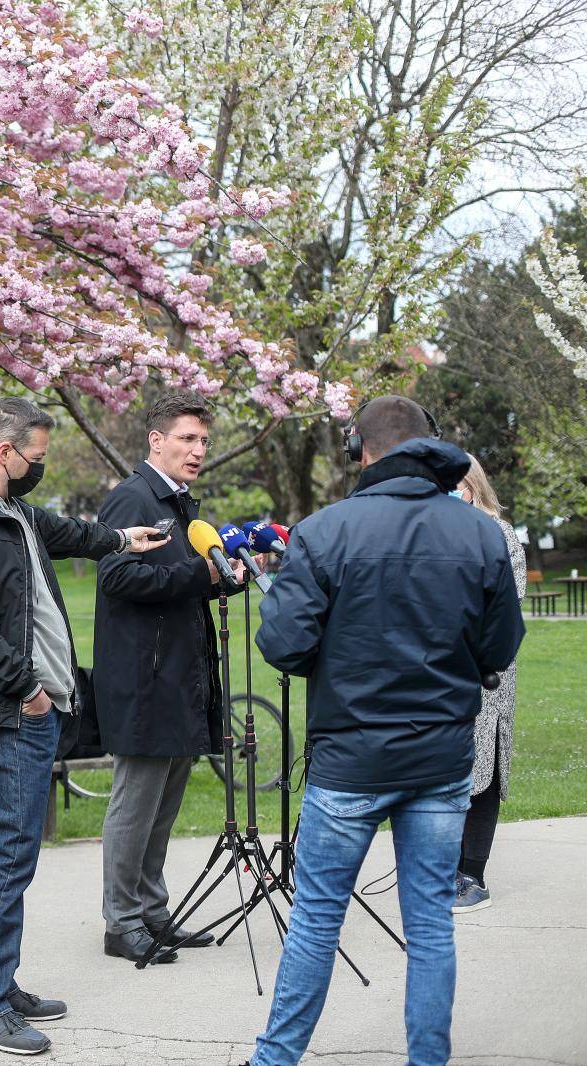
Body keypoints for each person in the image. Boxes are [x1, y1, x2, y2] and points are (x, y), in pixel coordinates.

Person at [247, 396, 525, 1066]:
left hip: (351, 759)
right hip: (439, 760)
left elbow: (283, 645)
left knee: (316, 922)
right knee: (430, 925)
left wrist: (334, 654)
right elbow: (498, 649)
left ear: (360, 451)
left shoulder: (324, 530)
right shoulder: (482, 533)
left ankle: (274, 1060)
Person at [0, 397, 170, 1056]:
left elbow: (71, 534)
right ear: (5, 453)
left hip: (33, 710)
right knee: (4, 859)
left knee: (15, 857)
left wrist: (124, 538)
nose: (40, 468)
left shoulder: (12, 512)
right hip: (11, 711)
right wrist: (29, 690)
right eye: (36, 457)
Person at [93, 391, 244, 963]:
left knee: (164, 805)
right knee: (135, 805)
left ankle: (154, 914)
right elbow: (118, 579)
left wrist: (222, 573)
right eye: (187, 438)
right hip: (144, 679)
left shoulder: (182, 505)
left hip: (183, 675)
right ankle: (122, 922)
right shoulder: (131, 498)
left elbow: (185, 580)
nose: (198, 449)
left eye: (204, 440)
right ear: (156, 441)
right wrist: (197, 573)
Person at [452, 455, 527, 913]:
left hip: (486, 670)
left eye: (454, 484)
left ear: (472, 486)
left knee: (484, 768)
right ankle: (441, 868)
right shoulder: (435, 531)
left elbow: (507, 606)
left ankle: (471, 873)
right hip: (441, 671)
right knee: (448, 769)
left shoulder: (497, 533)